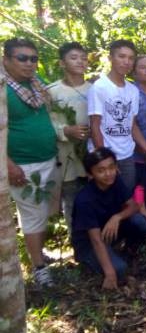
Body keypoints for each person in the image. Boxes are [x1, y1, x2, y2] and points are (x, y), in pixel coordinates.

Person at [2, 37, 59, 287]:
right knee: (33, 214)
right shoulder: (3, 88)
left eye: (33, 59)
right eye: (22, 58)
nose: (29, 63)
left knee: (42, 212)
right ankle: (39, 267)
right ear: (6, 59)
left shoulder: (37, 84)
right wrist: (8, 164)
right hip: (22, 165)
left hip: (47, 159)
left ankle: (36, 254)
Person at [71, 148, 146, 290]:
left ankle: (127, 251)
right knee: (119, 270)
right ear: (91, 174)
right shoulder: (85, 200)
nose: (108, 174)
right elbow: (95, 240)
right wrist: (110, 273)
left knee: (140, 221)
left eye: (112, 167)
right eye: (101, 170)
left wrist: (117, 217)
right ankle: (91, 261)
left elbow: (134, 206)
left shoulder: (115, 182)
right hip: (89, 243)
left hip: (110, 232)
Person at [88, 39, 146, 191]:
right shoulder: (99, 87)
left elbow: (132, 125)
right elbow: (94, 125)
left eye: (130, 58)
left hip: (127, 155)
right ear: (111, 58)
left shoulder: (133, 90)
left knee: (126, 197)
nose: (126, 61)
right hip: (105, 156)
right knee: (105, 200)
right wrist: (105, 160)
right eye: (121, 56)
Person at [46, 42, 91, 230]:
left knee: (92, 202)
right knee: (71, 203)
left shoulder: (95, 88)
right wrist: (65, 130)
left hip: (90, 155)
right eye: (74, 58)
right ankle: (77, 245)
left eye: (83, 58)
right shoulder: (51, 91)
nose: (80, 62)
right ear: (62, 63)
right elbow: (45, 123)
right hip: (66, 157)